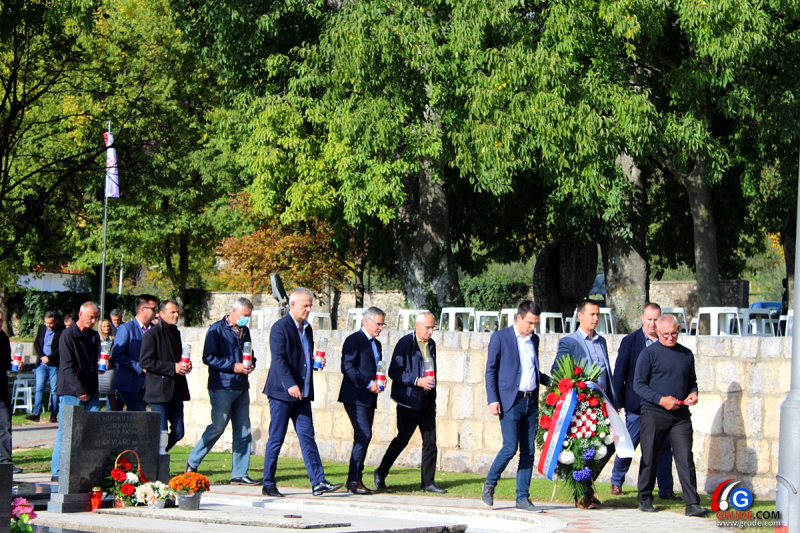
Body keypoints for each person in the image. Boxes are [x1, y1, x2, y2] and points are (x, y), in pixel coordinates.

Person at [261, 287, 342, 497]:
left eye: (310, 306)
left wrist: (314, 362)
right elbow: (279, 359)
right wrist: (290, 384)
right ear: (293, 304)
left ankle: (318, 481)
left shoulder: (307, 328)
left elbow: (302, 356)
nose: (308, 309)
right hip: (282, 393)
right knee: (276, 437)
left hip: (302, 393)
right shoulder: (280, 328)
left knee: (308, 437)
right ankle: (268, 483)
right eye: (305, 305)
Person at [634, 314, 708, 517]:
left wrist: (694, 393)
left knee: (685, 457)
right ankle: (645, 498)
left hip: (680, 415)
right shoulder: (648, 354)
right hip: (654, 412)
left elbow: (692, 381)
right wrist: (660, 400)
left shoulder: (686, 354)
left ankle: (692, 504)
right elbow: (638, 385)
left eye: (674, 333)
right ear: (657, 332)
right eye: (666, 334)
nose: (670, 337)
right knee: (650, 455)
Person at [481, 301, 549, 513]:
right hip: (510, 401)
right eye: (529, 322)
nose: (532, 327)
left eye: (535, 324)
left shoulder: (534, 339)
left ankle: (522, 497)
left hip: (531, 401)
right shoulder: (501, 337)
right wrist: (493, 399)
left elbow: (532, 371)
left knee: (528, 451)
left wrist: (555, 382)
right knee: (510, 447)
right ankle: (490, 484)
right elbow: (491, 370)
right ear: (518, 318)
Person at [553, 298, 616, 509]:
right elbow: (557, 370)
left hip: (602, 404)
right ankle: (581, 495)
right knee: (582, 450)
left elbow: (606, 372)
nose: (596, 318)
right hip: (581, 404)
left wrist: (613, 400)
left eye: (598, 314)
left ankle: (587, 486)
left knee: (607, 445)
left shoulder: (601, 341)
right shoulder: (569, 342)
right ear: (580, 315)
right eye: (592, 314)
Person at [610, 303, 678, 499]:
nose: (652, 324)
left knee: (664, 448)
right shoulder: (630, 341)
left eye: (656, 319)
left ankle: (666, 489)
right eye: (649, 319)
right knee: (629, 444)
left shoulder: (667, 343)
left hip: (661, 407)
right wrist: (618, 402)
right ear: (642, 318)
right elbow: (619, 374)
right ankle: (616, 481)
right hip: (636, 406)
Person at [187, 298, 258, 485]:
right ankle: (193, 461)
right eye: (244, 315)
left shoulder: (245, 331)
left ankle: (239, 473)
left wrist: (251, 363)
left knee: (243, 430)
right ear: (234, 310)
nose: (246, 319)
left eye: (248, 316)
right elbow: (209, 357)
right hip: (222, 386)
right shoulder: (216, 329)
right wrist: (233, 366)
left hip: (241, 386)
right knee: (218, 426)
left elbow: (249, 353)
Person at [374, 312, 446, 494]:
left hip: (427, 400)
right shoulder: (405, 343)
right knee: (402, 439)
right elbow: (394, 371)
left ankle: (428, 482)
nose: (431, 331)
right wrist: (416, 380)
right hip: (409, 400)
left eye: (433, 328)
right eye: (428, 328)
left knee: (430, 442)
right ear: (417, 326)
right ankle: (381, 472)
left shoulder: (432, 345)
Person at [52, 302, 101, 482]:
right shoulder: (67, 335)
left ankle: (87, 468)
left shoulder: (94, 336)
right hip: (72, 391)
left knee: (93, 428)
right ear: (80, 315)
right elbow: (67, 367)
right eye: (90, 317)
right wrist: (79, 389)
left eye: (95, 318)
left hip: (91, 389)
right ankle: (58, 471)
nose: (93, 321)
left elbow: (93, 362)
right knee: (67, 431)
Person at [338, 306, 385, 495]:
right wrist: (367, 383)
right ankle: (354, 480)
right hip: (355, 395)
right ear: (367, 321)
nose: (380, 328)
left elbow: (377, 366)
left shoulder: (377, 344)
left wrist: (380, 380)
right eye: (378, 324)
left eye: (382, 324)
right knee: (364, 434)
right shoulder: (354, 340)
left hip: (370, 397)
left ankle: (354, 479)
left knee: (364, 436)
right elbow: (347, 367)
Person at [140, 300, 192, 452]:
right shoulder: (152, 334)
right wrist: (173, 367)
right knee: (161, 433)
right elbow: (145, 361)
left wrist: (184, 366)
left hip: (176, 389)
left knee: (178, 432)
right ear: (161, 314)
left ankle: (154, 455)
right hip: (159, 391)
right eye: (172, 312)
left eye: (177, 312)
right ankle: (156, 459)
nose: (176, 315)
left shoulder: (175, 332)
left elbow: (175, 358)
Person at [112, 295, 158, 411]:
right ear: (143, 310)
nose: (156, 312)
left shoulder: (155, 330)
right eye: (153, 309)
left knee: (136, 418)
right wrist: (139, 367)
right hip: (130, 383)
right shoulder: (126, 328)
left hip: (150, 386)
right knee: (139, 416)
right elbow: (117, 354)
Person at [27, 311, 63, 423]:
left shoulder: (61, 331)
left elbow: (61, 347)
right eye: (47, 323)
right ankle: (36, 413)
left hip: (54, 365)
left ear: (55, 321)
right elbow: (36, 343)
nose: (48, 325)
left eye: (51, 323)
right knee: (39, 388)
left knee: (54, 390)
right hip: (42, 364)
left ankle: (54, 414)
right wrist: (42, 356)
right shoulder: (42, 328)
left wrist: (50, 357)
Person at [0, 312, 21, 474]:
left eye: (1, 320)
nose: (0, 323)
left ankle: (5, 462)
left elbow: (6, 361)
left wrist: (14, 364)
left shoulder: (3, 338)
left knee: (5, 425)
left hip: (1, 388)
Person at [98, 319, 121, 412]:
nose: (106, 328)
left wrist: (109, 360)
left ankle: (114, 413)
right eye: (104, 326)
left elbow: (115, 354)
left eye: (108, 326)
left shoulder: (114, 339)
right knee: (96, 392)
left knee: (111, 393)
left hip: (110, 368)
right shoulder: (97, 339)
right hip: (98, 367)